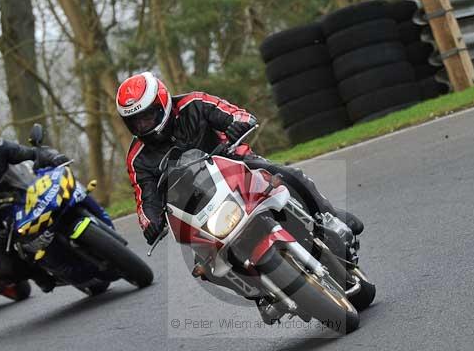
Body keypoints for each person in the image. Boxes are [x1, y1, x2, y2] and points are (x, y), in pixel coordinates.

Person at [116, 72, 364, 248]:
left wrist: (238, 125)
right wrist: (150, 221)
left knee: (288, 175)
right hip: (197, 202)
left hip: (233, 163)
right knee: (201, 259)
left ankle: (329, 215)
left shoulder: (195, 103)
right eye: (135, 121)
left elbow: (237, 114)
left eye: (148, 116)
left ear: (162, 103)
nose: (142, 124)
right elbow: (144, 196)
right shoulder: (137, 158)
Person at [0, 116, 111, 292]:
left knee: (70, 189)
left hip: (30, 193)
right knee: (7, 270)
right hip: (0, 222)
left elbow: (30, 153)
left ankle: (100, 219)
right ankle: (41, 274)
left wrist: (52, 157)